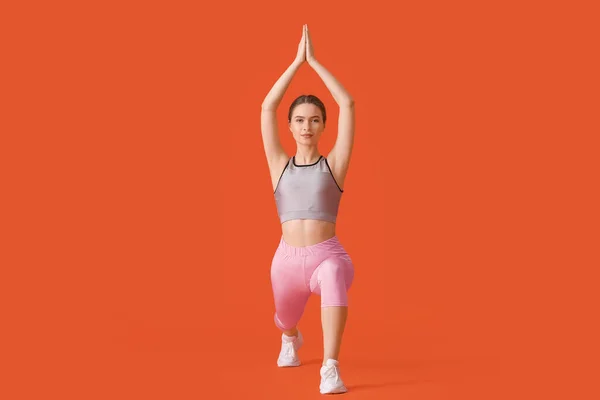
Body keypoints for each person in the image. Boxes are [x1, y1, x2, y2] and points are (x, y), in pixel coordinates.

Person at [260, 24, 356, 395]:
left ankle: (330, 368)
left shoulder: (334, 165)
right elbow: (267, 106)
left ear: (323, 126)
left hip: (326, 255)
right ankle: (291, 337)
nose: (306, 126)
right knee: (285, 319)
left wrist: (314, 62)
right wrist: (295, 63)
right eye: (299, 119)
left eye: (314, 120)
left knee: (333, 273)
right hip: (285, 260)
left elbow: (347, 103)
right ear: (290, 125)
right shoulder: (278, 165)